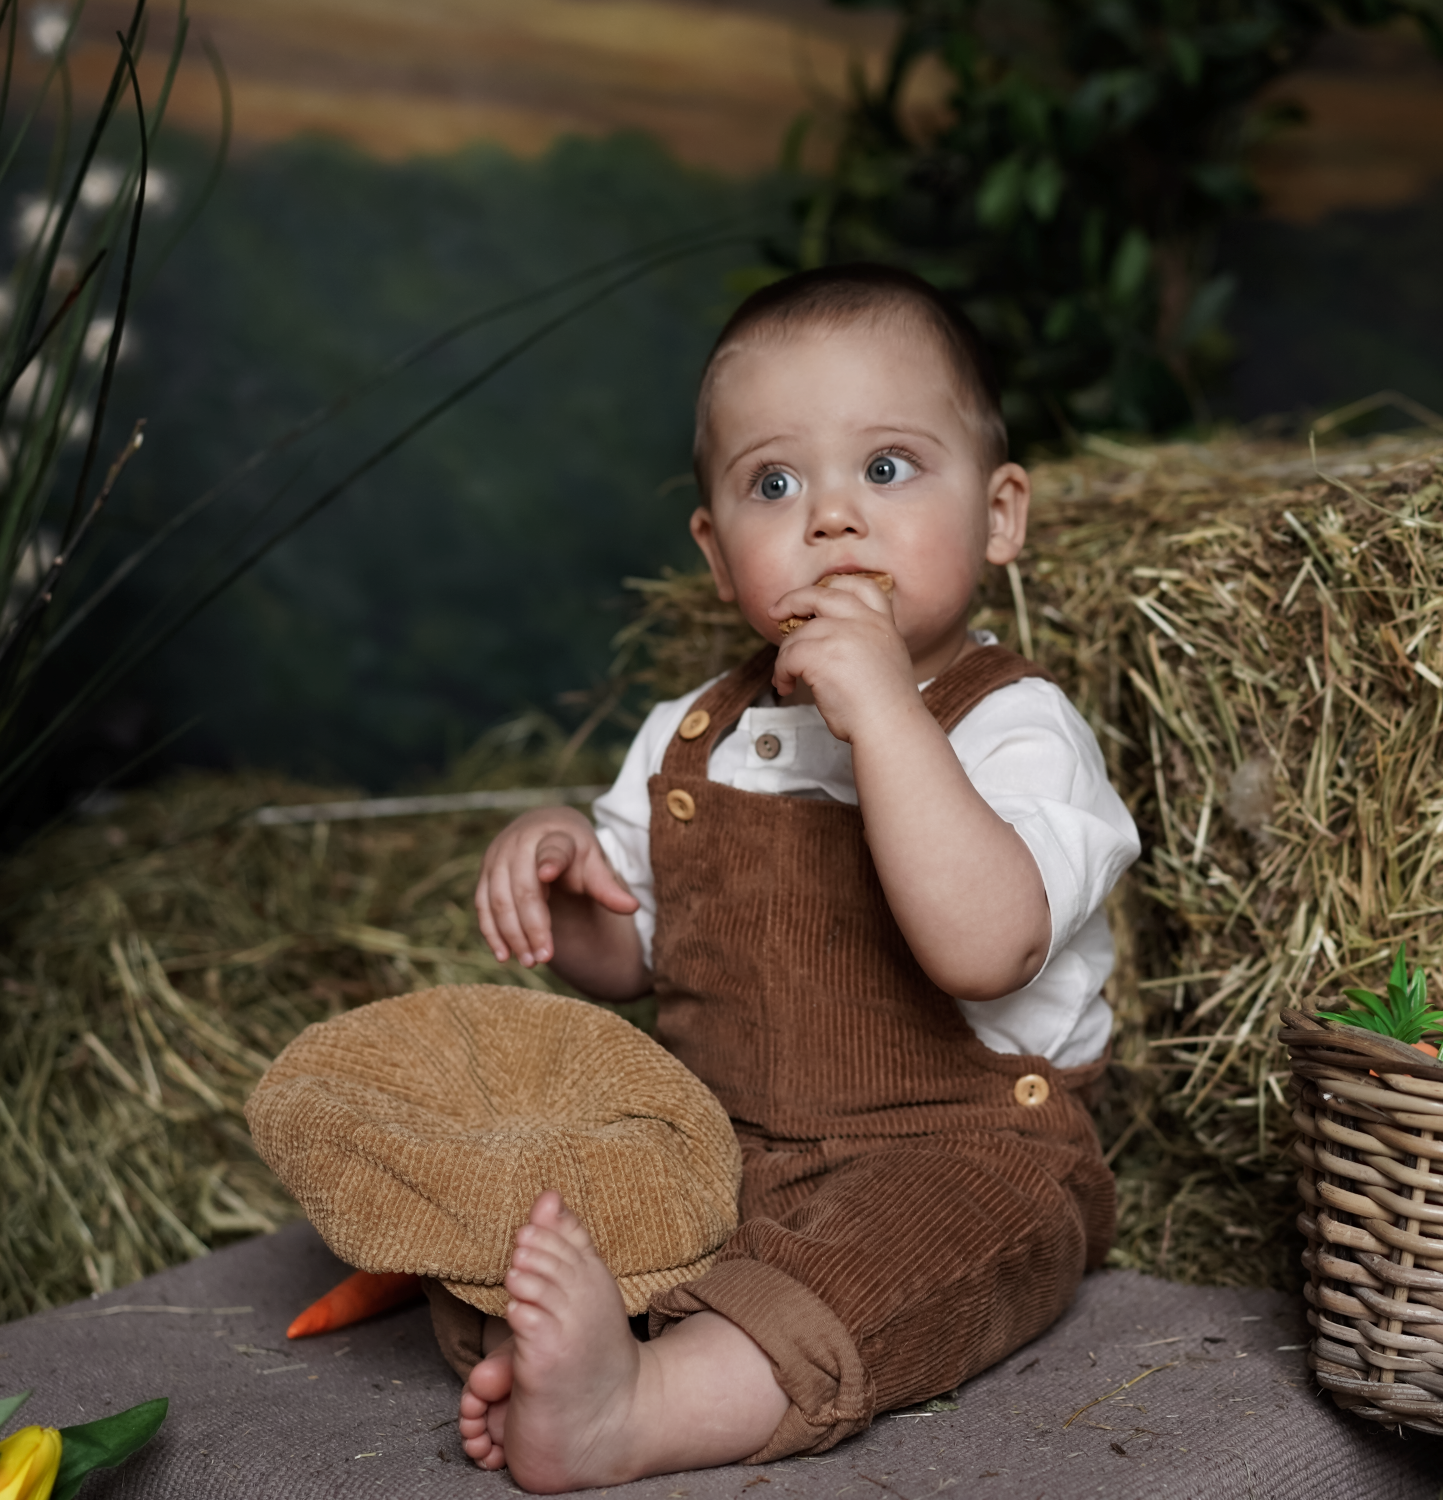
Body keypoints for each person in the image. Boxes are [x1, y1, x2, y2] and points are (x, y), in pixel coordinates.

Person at [461, 264, 1140, 1492]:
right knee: (531, 1203)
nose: (831, 519)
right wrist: (564, 882)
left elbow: (985, 946)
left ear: (999, 515)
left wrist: (882, 710)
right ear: (720, 557)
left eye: (886, 467)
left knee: (897, 1271)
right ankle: (575, 1343)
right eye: (775, 484)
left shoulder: (1015, 727)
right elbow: (639, 955)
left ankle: (647, 1405)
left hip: (959, 1151)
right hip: (722, 1143)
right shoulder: (694, 735)